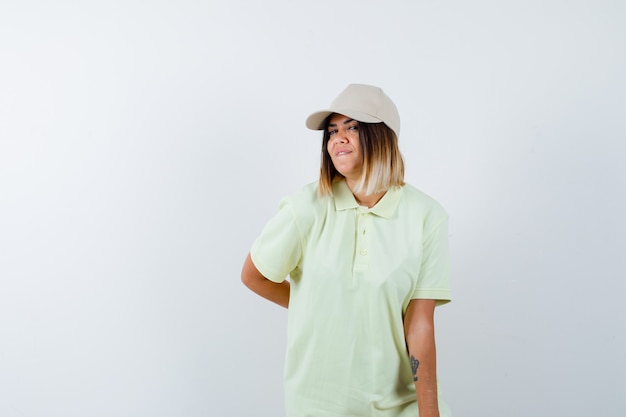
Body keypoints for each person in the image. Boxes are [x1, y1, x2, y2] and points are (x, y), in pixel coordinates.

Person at [241, 83, 451, 417]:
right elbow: (254, 275)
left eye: (352, 127)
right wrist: (321, 309)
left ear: (382, 137)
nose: (338, 138)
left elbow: (420, 324)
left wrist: (430, 413)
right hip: (318, 404)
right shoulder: (305, 207)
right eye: (332, 131)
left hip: (400, 403)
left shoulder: (427, 216)